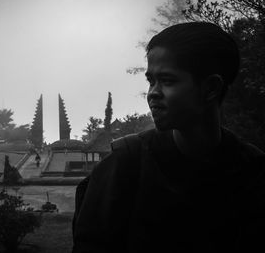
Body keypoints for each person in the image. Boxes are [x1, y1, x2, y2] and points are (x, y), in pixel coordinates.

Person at [72, 22, 265, 252]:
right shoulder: (127, 163)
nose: (153, 93)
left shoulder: (252, 172)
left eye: (167, 81)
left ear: (211, 88)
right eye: (151, 81)